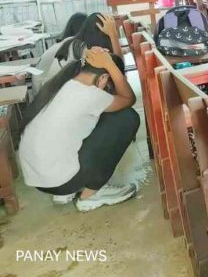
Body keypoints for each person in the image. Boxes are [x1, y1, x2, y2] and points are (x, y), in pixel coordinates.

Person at [19, 48, 140, 212]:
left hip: (39, 179)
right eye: (108, 84)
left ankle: (66, 193)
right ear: (103, 78)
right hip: (61, 181)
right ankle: (90, 196)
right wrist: (110, 64)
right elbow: (128, 99)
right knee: (127, 117)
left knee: (93, 120)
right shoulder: (89, 94)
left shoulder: (63, 84)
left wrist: (106, 63)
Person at [33, 13, 121, 95]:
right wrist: (113, 35)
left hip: (46, 96)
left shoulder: (72, 42)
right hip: (54, 98)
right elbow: (118, 72)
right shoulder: (83, 49)